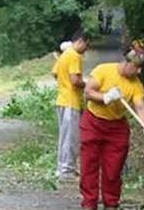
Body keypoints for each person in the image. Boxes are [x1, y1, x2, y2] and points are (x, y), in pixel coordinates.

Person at [79, 40, 144, 210]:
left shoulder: (136, 84)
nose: (139, 71)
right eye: (136, 67)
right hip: (93, 121)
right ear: (127, 62)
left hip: (116, 126)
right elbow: (88, 92)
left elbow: (140, 106)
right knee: (89, 163)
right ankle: (89, 203)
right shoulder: (103, 70)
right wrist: (105, 96)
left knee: (114, 166)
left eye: (141, 67)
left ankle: (111, 203)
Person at [53, 30, 89, 181]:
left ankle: (63, 167)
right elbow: (75, 80)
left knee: (64, 136)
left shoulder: (65, 54)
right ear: (80, 41)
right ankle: (67, 171)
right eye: (87, 45)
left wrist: (63, 81)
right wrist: (87, 85)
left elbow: (54, 73)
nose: (86, 49)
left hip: (62, 99)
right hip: (71, 101)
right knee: (72, 137)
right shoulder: (74, 55)